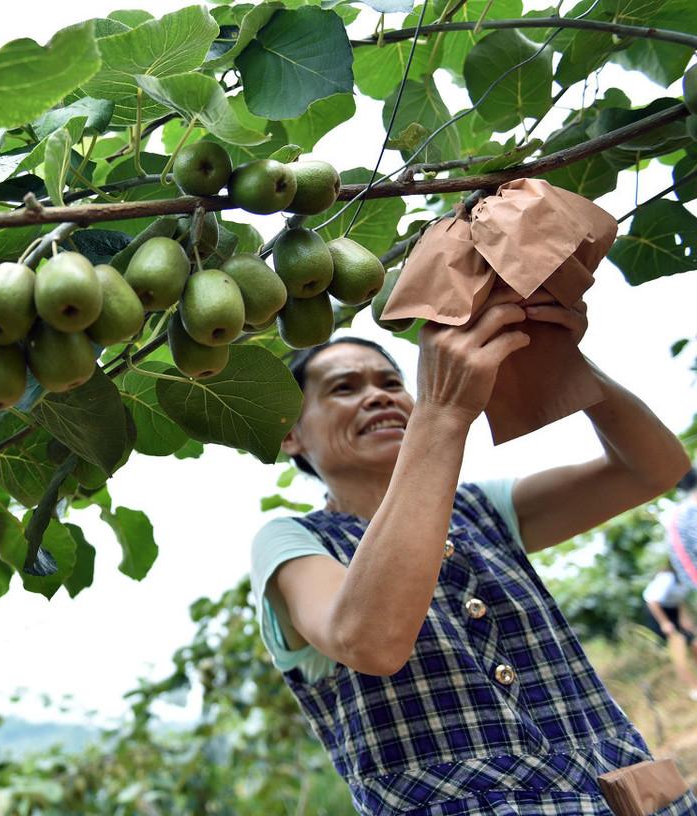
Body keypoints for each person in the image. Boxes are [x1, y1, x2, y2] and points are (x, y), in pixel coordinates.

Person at [249, 287, 694, 814]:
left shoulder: (483, 508)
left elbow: (654, 469)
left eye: (393, 382)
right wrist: (442, 411)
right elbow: (371, 640)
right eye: (344, 388)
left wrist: (567, 362)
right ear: (290, 435)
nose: (379, 395)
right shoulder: (292, 539)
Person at [641, 559, 697, 701]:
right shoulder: (667, 578)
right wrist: (665, 623)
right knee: (678, 649)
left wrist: (684, 618)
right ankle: (693, 689)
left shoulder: (686, 577)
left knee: (694, 644)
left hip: (674, 610)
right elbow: (652, 601)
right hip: (657, 611)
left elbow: (679, 599)